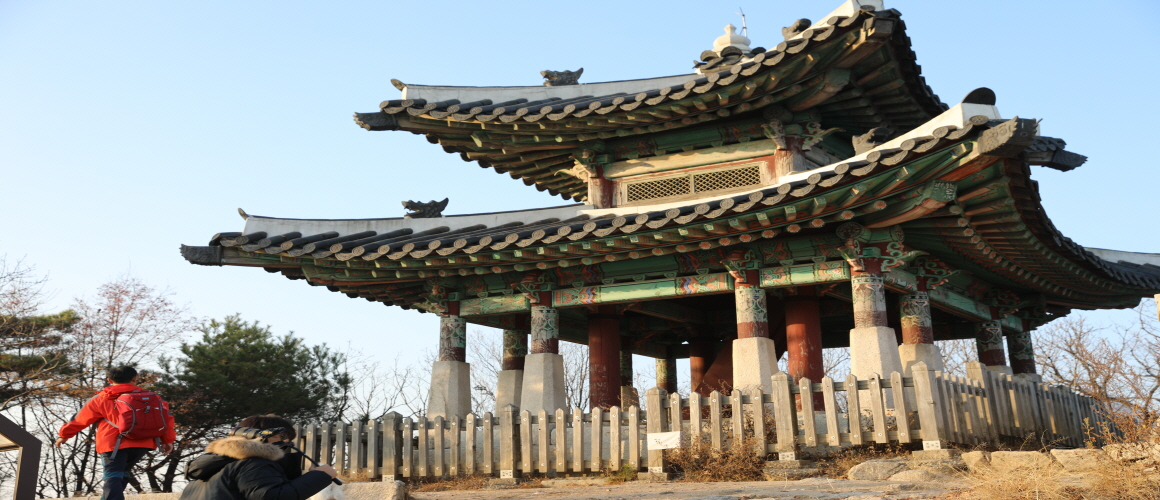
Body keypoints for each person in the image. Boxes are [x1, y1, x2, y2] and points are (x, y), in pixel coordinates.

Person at [55, 365, 176, 500]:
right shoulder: (153, 398)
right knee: (122, 473)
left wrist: (64, 435)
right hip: (144, 443)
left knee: (113, 475)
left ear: (109, 380)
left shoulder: (101, 398)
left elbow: (80, 420)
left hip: (114, 443)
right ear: (135, 379)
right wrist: (167, 440)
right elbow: (167, 419)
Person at [180, 415, 336, 500]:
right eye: (284, 436)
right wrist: (320, 476)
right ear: (263, 436)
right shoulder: (254, 464)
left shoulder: (211, 467)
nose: (288, 442)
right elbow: (272, 496)